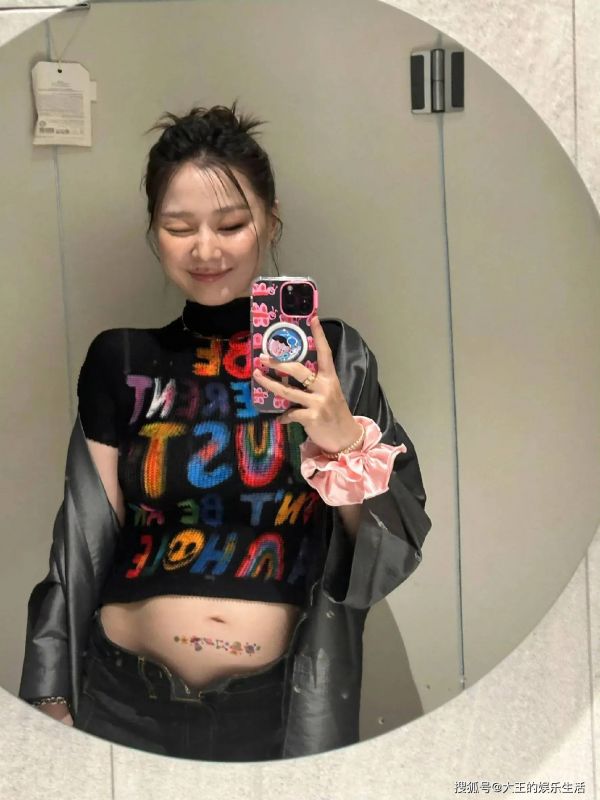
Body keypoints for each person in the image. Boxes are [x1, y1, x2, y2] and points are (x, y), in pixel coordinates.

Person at [19, 103, 432, 761]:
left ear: (270, 220)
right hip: (118, 700)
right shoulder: (120, 360)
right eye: (178, 227)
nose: (206, 249)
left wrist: (342, 437)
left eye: (232, 224)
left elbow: (390, 552)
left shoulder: (335, 357)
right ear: (154, 232)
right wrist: (48, 696)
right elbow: (79, 548)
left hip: (277, 709)